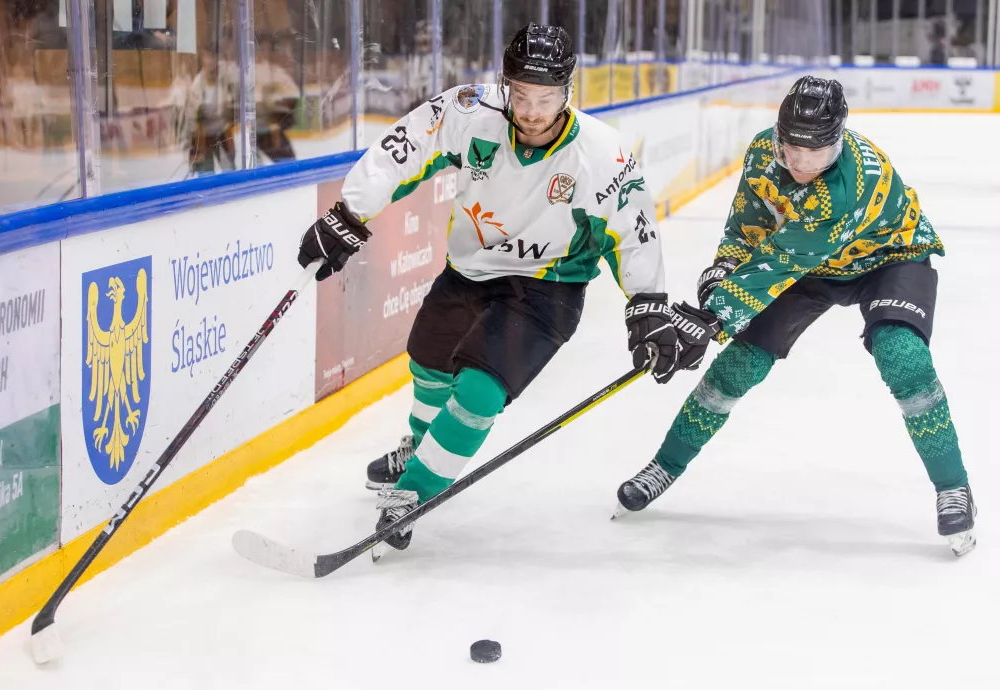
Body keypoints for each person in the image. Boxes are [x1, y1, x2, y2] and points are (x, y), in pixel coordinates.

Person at [295, 23, 715, 555]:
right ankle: (422, 448)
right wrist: (350, 212)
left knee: (480, 389)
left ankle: (414, 492)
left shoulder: (601, 154)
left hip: (547, 287)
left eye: (546, 98)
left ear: (567, 91)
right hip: (469, 269)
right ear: (505, 85)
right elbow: (406, 145)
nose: (533, 111)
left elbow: (633, 230)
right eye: (521, 95)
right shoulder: (470, 111)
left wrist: (648, 304)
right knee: (428, 359)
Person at [614, 75, 977, 557]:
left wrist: (713, 317)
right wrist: (723, 271)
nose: (802, 163)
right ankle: (664, 465)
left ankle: (953, 486)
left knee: (902, 354)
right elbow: (747, 227)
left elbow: (782, 258)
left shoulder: (849, 184)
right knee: (741, 362)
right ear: (778, 135)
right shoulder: (763, 153)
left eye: (817, 152)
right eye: (792, 149)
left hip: (889, 257)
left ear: (838, 140)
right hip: (810, 264)